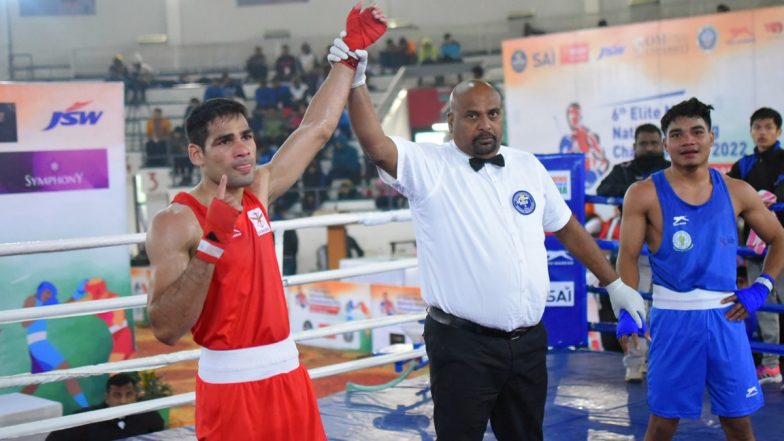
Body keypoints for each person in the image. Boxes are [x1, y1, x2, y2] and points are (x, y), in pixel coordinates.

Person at [330, 38, 646, 439]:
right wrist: (356, 81)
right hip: (462, 346)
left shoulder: (526, 166)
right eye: (473, 116)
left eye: (493, 114)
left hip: (528, 343)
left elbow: (567, 227)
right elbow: (376, 146)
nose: (485, 125)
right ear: (451, 120)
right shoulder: (430, 166)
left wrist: (614, 284)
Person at [144, 5, 386, 440]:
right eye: (224, 141)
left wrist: (347, 59)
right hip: (231, 387)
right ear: (196, 155)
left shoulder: (258, 189)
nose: (242, 149)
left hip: (288, 373)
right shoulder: (176, 221)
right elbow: (165, 327)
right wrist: (211, 244)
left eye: (246, 136)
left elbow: (316, 128)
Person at [616, 98, 784, 440]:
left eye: (697, 132)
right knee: (662, 424)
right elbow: (628, 256)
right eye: (677, 135)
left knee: (738, 423)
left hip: (726, 320)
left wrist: (762, 286)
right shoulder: (643, 193)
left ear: (711, 137)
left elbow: (779, 237)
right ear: (666, 144)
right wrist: (628, 306)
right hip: (672, 321)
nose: (688, 141)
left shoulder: (738, 191)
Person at [596, 123, 670, 382]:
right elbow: (603, 191)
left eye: (653, 143)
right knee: (630, 303)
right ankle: (634, 363)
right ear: (635, 146)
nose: (648, 148)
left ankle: (655, 360)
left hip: (665, 251)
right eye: (643, 144)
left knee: (659, 308)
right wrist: (634, 196)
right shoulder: (624, 170)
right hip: (630, 251)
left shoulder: (672, 171)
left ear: (662, 145)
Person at [727, 107, 784, 385]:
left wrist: (772, 196)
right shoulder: (743, 165)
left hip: (781, 244)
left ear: (778, 131)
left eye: (768, 127)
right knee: (762, 303)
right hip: (754, 247)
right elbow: (729, 190)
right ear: (751, 131)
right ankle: (771, 365)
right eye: (757, 127)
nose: (762, 132)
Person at [22, 281, 89, 409]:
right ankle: (87, 408)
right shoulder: (32, 300)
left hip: (38, 345)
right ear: (41, 290)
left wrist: (77, 293)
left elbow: (62, 308)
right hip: (39, 345)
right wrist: (40, 310)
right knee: (67, 373)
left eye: (50, 294)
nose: (48, 296)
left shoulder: (42, 303)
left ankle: (12, 408)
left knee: (34, 383)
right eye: (47, 292)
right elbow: (24, 323)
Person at [46, 373, 164, 441]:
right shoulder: (86, 419)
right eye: (117, 395)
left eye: (129, 394)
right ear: (107, 397)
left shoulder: (150, 417)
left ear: (136, 396)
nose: (123, 401)